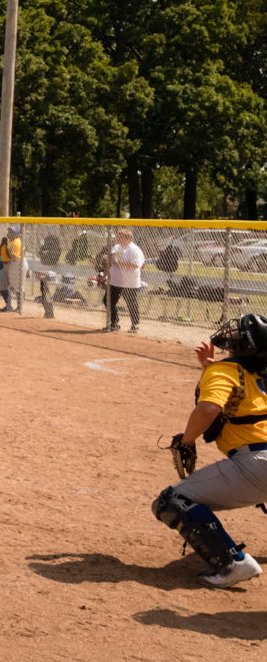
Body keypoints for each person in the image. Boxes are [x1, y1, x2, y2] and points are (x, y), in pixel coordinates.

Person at [151, 313, 267, 588]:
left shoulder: (226, 371)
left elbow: (208, 409)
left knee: (171, 501)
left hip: (256, 463)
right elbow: (240, 390)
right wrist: (209, 366)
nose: (233, 335)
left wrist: (187, 441)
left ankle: (234, 564)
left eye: (240, 334)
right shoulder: (257, 372)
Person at [106, 229, 144, 332]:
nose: (118, 239)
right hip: (115, 281)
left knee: (131, 304)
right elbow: (113, 260)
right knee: (108, 301)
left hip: (130, 283)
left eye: (120, 237)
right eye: (118, 237)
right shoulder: (117, 247)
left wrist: (119, 264)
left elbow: (136, 265)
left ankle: (135, 325)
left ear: (127, 238)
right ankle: (114, 323)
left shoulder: (135, 250)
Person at [0, 226, 23, 312]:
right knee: (2, 286)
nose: (9, 233)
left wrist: (6, 245)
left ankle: (19, 307)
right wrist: (2, 243)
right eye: (9, 231)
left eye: (12, 232)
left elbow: (12, 257)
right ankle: (8, 306)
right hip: (6, 266)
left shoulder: (16, 242)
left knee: (17, 287)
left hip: (14, 265)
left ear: (16, 234)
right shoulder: (8, 242)